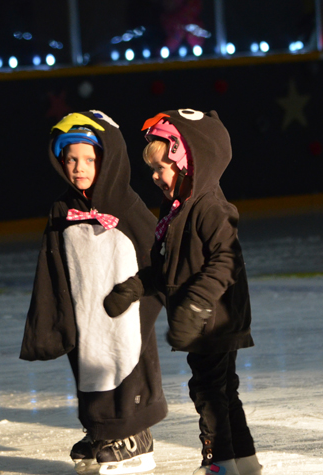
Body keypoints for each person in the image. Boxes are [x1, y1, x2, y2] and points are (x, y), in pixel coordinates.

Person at [104, 109, 262, 475]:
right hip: (207, 319)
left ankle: (219, 463)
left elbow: (225, 262)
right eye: (153, 170)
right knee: (223, 390)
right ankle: (243, 460)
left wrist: (195, 307)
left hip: (214, 320)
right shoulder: (178, 210)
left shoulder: (210, 208)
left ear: (188, 162)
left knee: (208, 391)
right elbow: (167, 269)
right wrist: (134, 287)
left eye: (163, 167)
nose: (157, 176)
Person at [20, 111, 168, 474]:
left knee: (126, 362)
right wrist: (51, 316)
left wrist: (140, 297)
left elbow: (162, 257)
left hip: (126, 310)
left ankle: (136, 434)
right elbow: (50, 263)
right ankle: (101, 430)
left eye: (89, 159)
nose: (78, 167)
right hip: (84, 308)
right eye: (70, 159)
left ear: (109, 159)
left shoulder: (127, 206)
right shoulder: (61, 209)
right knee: (89, 368)